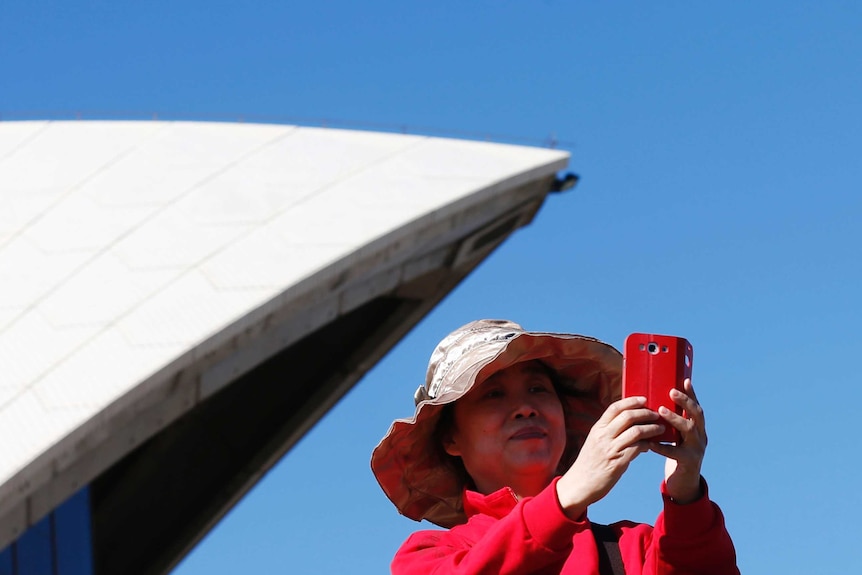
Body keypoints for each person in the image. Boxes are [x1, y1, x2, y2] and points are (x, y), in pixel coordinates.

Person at [371, 319, 739, 574]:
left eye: (538, 389)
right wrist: (565, 498)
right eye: (493, 394)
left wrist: (685, 496)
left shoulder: (636, 548)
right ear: (450, 439)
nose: (526, 407)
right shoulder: (427, 558)